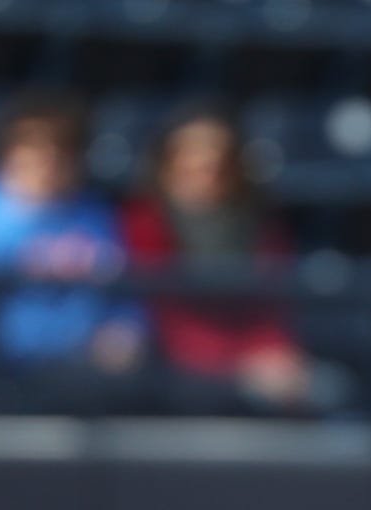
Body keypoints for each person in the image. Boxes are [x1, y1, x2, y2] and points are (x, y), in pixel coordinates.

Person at [117, 108, 317, 412]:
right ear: (167, 166)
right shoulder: (141, 225)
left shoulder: (260, 225)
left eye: (217, 167)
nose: (206, 177)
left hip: (251, 362)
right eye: (191, 166)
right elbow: (158, 313)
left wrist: (274, 351)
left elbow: (271, 306)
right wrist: (237, 366)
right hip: (173, 364)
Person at [0, 96, 145, 378]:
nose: (47, 157)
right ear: (8, 152)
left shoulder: (96, 216)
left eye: (62, 146)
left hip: (82, 377)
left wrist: (125, 334)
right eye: (32, 145)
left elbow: (126, 300)